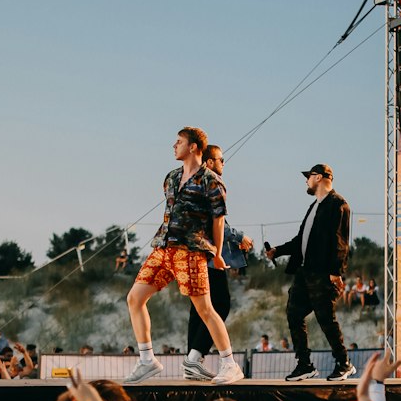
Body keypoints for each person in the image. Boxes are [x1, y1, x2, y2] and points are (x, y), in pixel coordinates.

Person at [125, 128, 244, 386]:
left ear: (193, 147)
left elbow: (218, 220)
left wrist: (217, 252)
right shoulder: (171, 177)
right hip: (163, 247)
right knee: (135, 298)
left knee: (205, 309)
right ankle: (147, 359)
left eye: (179, 141)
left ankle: (230, 364)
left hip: (190, 251)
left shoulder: (211, 180)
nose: (174, 145)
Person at [265, 162, 354, 382]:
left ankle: (344, 363)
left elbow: (341, 242)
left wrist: (336, 272)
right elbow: (301, 241)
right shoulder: (314, 206)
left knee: (326, 319)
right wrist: (278, 251)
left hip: (323, 274)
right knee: (294, 314)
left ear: (321, 177)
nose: (306, 180)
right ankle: (304, 365)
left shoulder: (338, 204)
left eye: (309, 176)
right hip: (305, 273)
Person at [183, 144, 254, 381]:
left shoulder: (189, 181)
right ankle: (195, 357)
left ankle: (191, 363)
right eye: (221, 160)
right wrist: (239, 237)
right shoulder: (210, 181)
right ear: (210, 162)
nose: (224, 164)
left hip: (191, 254)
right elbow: (217, 222)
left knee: (198, 309)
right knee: (220, 304)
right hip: (209, 255)